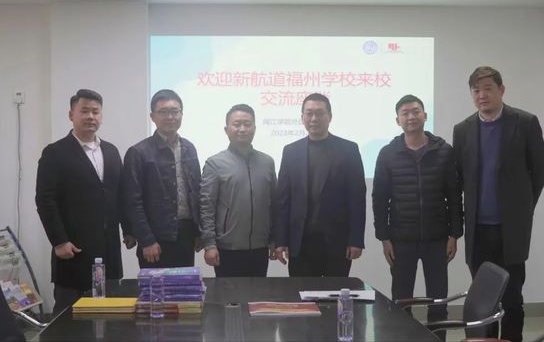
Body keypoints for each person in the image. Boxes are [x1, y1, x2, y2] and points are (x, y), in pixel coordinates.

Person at [453, 66, 544, 342]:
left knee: (512, 298)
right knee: (483, 299)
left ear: (501, 90)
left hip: (511, 230)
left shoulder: (525, 122)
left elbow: (540, 170)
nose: (482, 95)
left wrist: (523, 208)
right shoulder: (463, 129)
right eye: (476, 91)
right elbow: (459, 178)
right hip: (478, 231)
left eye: (488, 89)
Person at [35, 89, 135, 315]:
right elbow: (45, 200)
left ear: (101, 116)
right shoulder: (55, 152)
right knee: (69, 316)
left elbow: (119, 195)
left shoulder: (111, 151)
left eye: (95, 112)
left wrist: (128, 229)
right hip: (74, 250)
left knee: (108, 313)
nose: (90, 116)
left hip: (108, 249)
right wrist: (59, 241)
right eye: (84, 111)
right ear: (71, 115)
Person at [372, 95, 463, 333]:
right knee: (402, 302)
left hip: (437, 238)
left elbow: (454, 195)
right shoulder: (387, 153)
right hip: (401, 240)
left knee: (438, 302)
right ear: (397, 120)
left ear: (425, 115)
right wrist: (384, 238)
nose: (411, 117)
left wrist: (454, 235)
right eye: (405, 113)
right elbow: (380, 199)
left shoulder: (444, 151)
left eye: (415, 111)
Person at [274, 93, 366, 276]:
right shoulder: (291, 151)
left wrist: (356, 240)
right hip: (300, 243)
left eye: (319, 113)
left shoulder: (349, 150)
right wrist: (281, 240)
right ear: (302, 117)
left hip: (337, 242)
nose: (314, 118)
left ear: (329, 117)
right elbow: (283, 200)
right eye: (309, 113)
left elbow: (357, 198)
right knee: (301, 292)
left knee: (336, 291)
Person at [122, 89, 202, 268]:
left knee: (184, 284)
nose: (170, 117)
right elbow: (133, 201)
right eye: (163, 112)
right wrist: (147, 239)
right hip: (155, 237)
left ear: (181, 114)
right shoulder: (138, 152)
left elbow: (196, 191)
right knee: (155, 286)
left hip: (186, 234)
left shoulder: (189, 148)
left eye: (175, 111)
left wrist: (198, 232)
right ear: (152, 117)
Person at [199, 104, 277, 276]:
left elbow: (274, 204)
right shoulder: (215, 163)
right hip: (227, 248)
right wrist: (209, 244)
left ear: (254, 128)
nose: (242, 129)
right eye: (237, 124)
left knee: (257, 292)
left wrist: (274, 239)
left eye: (247, 124)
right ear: (226, 129)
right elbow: (206, 207)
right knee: (228, 293)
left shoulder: (267, 162)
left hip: (260, 247)